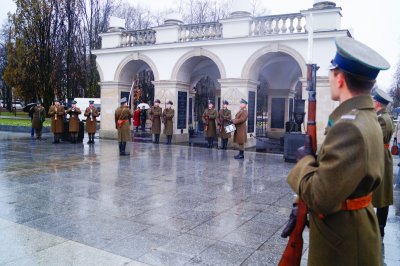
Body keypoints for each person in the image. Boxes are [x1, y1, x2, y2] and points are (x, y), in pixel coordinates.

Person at [286, 36, 390, 265]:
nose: (330, 77)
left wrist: (304, 162)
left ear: (340, 78)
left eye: (332, 71)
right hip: (350, 230)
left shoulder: (350, 127)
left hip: (344, 243)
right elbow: (338, 179)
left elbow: (320, 196)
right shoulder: (363, 118)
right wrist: (299, 203)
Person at [371, 88, 394, 239]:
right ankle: (380, 227)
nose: (372, 102)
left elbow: (376, 139)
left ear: (378, 103)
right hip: (383, 156)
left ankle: (380, 227)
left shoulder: (381, 119)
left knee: (381, 194)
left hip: (381, 157)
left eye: (373, 100)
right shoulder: (385, 116)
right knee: (382, 193)